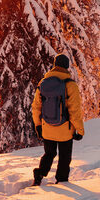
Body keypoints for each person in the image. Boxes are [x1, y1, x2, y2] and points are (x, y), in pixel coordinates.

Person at [31, 53, 84, 186]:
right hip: (65, 130)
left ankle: (39, 175)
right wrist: (80, 130)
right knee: (64, 156)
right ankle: (61, 181)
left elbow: (36, 107)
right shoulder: (70, 85)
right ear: (66, 67)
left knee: (49, 153)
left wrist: (38, 125)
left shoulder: (43, 83)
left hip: (47, 127)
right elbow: (74, 111)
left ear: (54, 66)